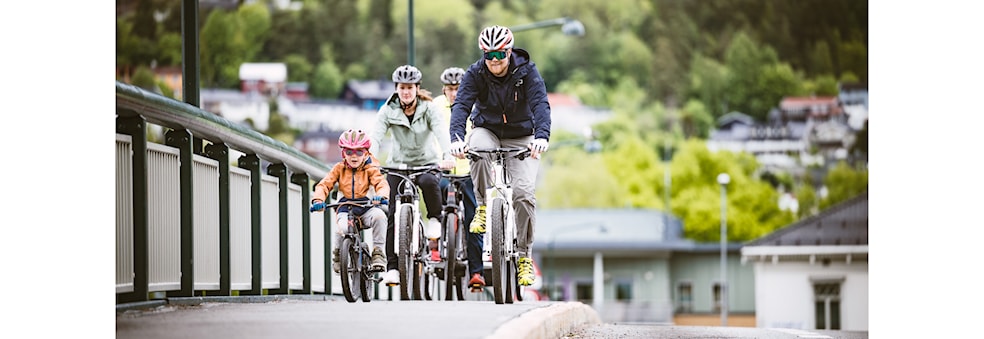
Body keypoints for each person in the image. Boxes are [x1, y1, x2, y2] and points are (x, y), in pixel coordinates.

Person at [449, 25, 551, 287]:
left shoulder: (527, 71)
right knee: (477, 147)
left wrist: (542, 136)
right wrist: (456, 138)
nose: (494, 61)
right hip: (488, 129)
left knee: (524, 192)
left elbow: (540, 104)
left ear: (509, 51)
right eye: (489, 55)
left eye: (500, 55)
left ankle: (524, 256)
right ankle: (483, 206)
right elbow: (461, 105)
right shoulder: (475, 73)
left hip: (523, 136)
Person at [370, 64, 454, 286]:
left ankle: (434, 218)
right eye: (401, 87)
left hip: (426, 163)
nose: (406, 91)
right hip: (398, 165)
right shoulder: (388, 109)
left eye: (410, 87)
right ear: (396, 89)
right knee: (391, 213)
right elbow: (376, 136)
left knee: (429, 182)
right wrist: (372, 159)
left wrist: (448, 154)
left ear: (417, 88)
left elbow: (441, 132)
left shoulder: (429, 109)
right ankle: (393, 269)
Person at [310, 129, 390, 273]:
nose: (354, 156)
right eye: (349, 152)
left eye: (359, 152)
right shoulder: (338, 169)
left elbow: (381, 184)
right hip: (345, 207)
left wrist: (382, 196)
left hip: (366, 207)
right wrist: (318, 200)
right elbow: (324, 184)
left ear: (366, 153)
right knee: (343, 228)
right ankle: (338, 255)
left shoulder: (370, 169)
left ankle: (378, 252)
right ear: (343, 154)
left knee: (380, 217)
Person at [433, 66, 483, 289]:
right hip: (443, 168)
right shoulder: (434, 106)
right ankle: (436, 238)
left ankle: (476, 272)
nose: (454, 93)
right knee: (435, 196)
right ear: (444, 89)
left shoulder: (475, 104)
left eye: (458, 89)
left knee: (474, 219)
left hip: (469, 170)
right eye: (450, 89)